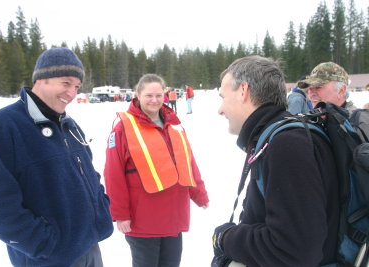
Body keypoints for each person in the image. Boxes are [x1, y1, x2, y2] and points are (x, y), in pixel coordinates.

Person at [0, 47, 113, 267]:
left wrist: (101, 212)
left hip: (89, 249)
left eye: (76, 86)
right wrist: (43, 245)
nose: (72, 94)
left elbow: (90, 175)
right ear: (41, 79)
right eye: (66, 83)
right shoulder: (3, 126)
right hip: (48, 258)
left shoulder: (69, 125)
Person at [212, 56, 339, 266]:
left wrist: (226, 238)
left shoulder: (287, 145)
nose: (220, 109)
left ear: (243, 90)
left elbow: (294, 250)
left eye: (223, 97)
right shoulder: (276, 138)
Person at [104, 74, 209, 267]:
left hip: (173, 216)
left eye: (159, 95)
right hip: (143, 219)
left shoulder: (174, 125)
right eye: (149, 95)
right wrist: (120, 214)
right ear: (138, 95)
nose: (154, 100)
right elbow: (113, 174)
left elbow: (188, 162)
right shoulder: (123, 129)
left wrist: (199, 193)